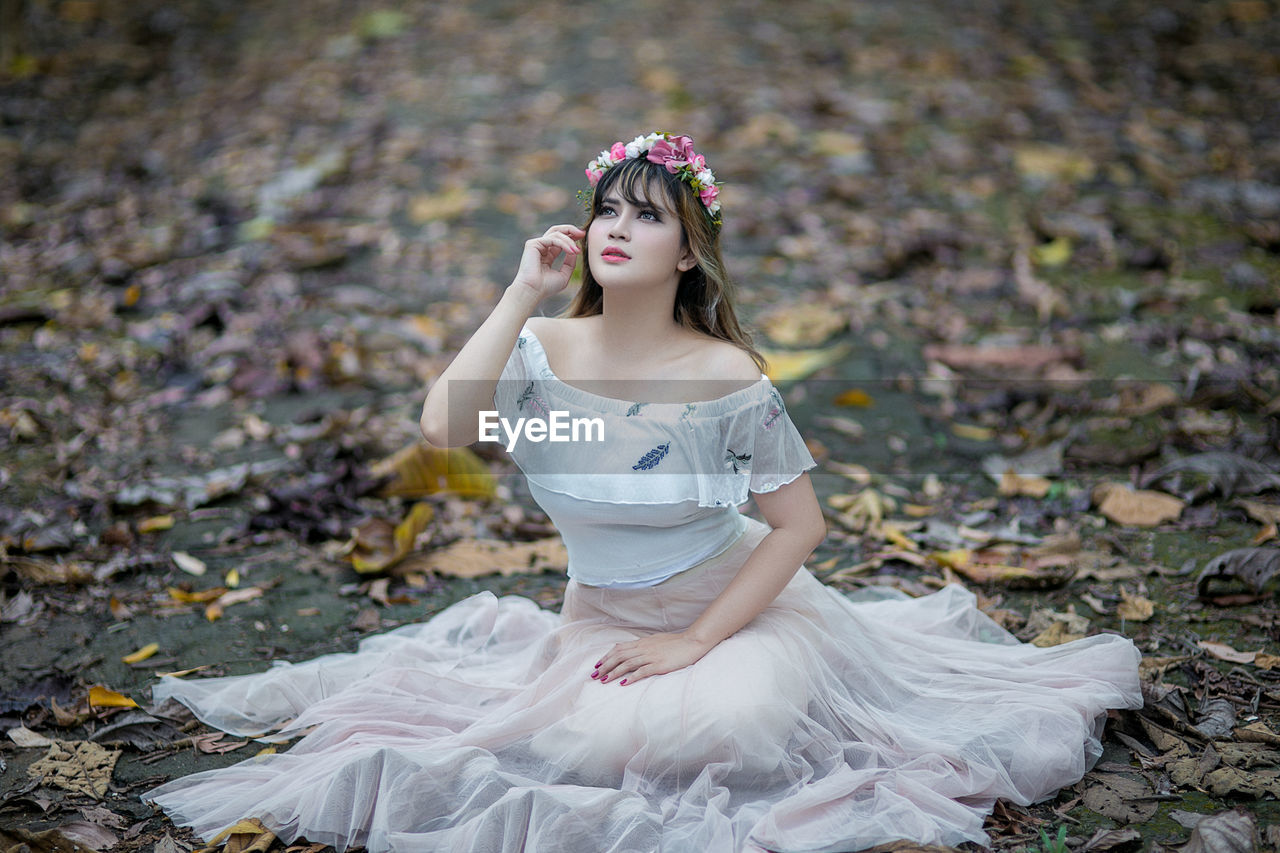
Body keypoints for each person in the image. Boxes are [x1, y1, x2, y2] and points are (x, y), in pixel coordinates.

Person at [145, 133, 1143, 853]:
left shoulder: (725, 376)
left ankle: (714, 676)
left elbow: (798, 525)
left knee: (721, 726)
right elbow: (442, 430)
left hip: (732, 615)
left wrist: (698, 639)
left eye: (648, 214)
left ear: (688, 250)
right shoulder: (540, 348)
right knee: (582, 743)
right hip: (597, 619)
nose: (617, 228)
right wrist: (517, 293)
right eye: (606, 209)